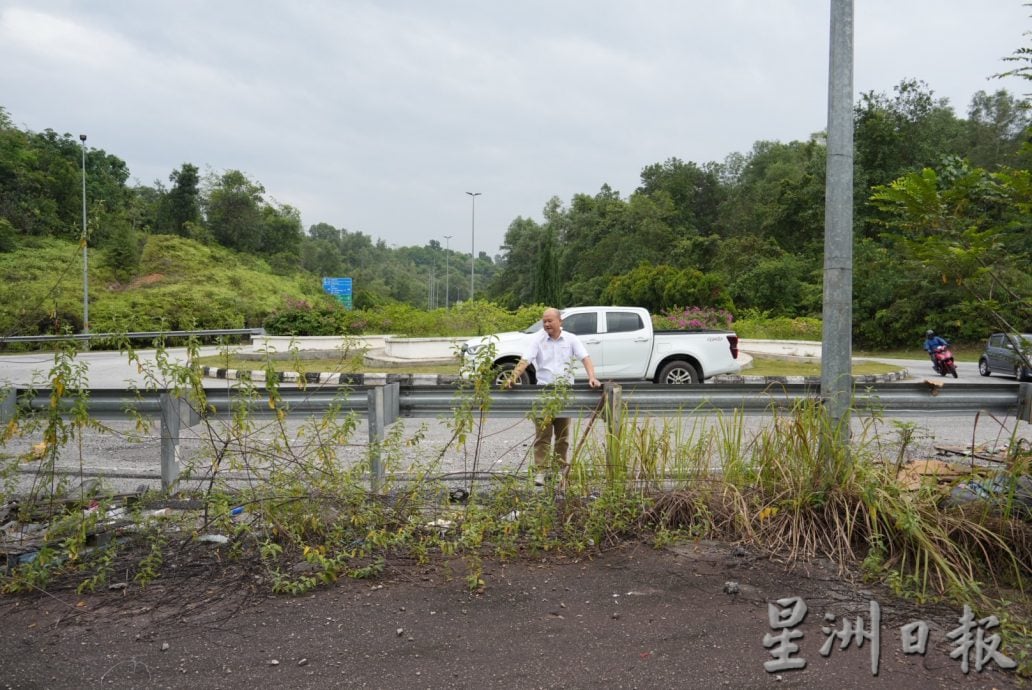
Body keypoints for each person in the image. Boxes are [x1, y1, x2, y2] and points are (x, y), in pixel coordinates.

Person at [505, 307, 601, 484]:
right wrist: (512, 378)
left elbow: (585, 358)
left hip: (564, 393)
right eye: (544, 321)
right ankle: (540, 472)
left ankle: (559, 471)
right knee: (543, 435)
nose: (547, 324)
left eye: (550, 321)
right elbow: (525, 360)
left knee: (562, 435)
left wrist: (592, 377)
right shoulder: (538, 339)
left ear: (560, 322)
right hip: (544, 393)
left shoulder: (571, 339)